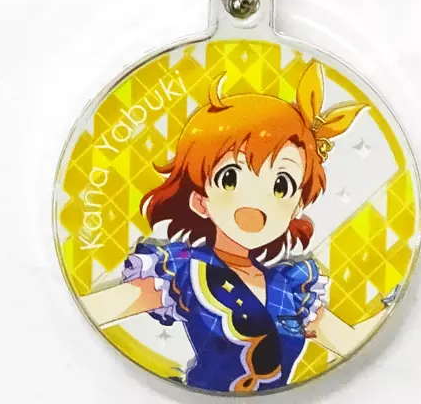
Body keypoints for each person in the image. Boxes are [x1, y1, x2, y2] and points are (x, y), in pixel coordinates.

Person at [82, 61, 390, 392]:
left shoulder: (292, 288)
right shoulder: (184, 271)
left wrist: (397, 306)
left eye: (281, 185)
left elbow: (351, 342)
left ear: (296, 208)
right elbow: (91, 312)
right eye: (230, 178)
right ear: (200, 200)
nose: (256, 202)